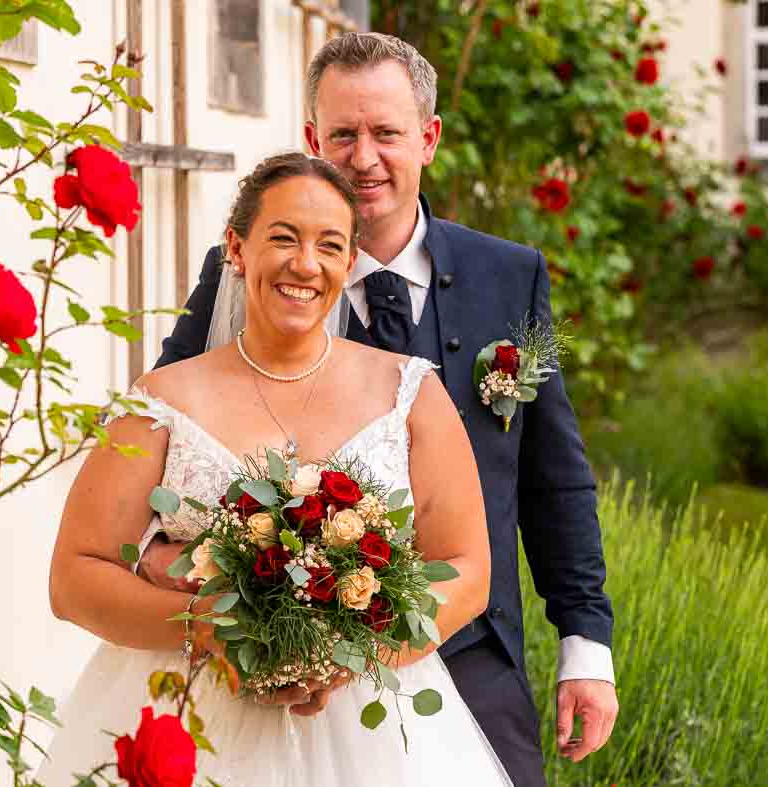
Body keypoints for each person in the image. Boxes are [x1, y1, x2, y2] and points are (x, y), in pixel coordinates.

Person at [143, 33, 617, 786]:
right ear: (312, 140)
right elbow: (164, 433)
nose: (363, 158)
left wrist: (584, 644)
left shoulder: (508, 276)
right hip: (283, 676)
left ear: (428, 138)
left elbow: (551, 479)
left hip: (472, 651)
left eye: (386, 133)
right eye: (343, 135)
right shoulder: (251, 274)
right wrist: (173, 563)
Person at [37, 152, 512, 786]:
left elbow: (468, 569)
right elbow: (74, 578)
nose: (305, 264)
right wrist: (207, 626)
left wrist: (354, 653)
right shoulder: (160, 403)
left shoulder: (409, 393)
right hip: (190, 720)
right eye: (284, 238)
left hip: (370, 734)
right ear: (236, 248)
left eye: (329, 245)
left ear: (349, 262)